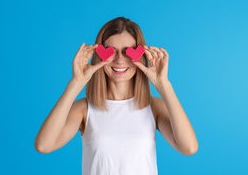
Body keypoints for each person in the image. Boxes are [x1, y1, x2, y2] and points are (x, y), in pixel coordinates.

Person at [34, 16, 198, 175]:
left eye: (128, 51)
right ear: (99, 53)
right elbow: (44, 145)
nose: (120, 60)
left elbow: (188, 147)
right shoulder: (84, 109)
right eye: (111, 51)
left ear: (140, 55)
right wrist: (76, 82)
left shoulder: (154, 107)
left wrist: (164, 85)